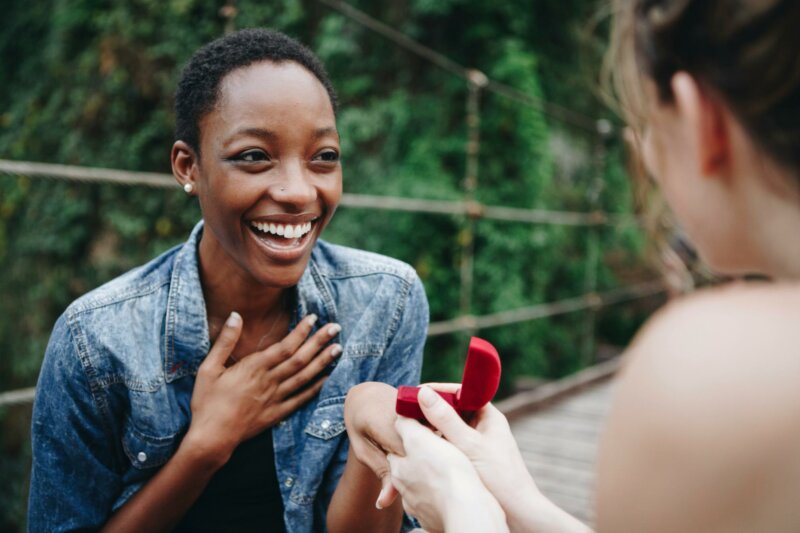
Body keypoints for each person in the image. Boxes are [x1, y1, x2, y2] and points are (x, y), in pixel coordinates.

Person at [351, 0, 800, 531]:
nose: (648, 159)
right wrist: (518, 499)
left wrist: (459, 508)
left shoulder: (720, 373)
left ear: (699, 116)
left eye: (646, 125)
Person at [28, 28, 429, 532]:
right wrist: (205, 447)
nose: (297, 191)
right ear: (187, 167)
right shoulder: (95, 341)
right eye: (254, 156)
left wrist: (378, 438)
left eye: (323, 157)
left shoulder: (385, 300)